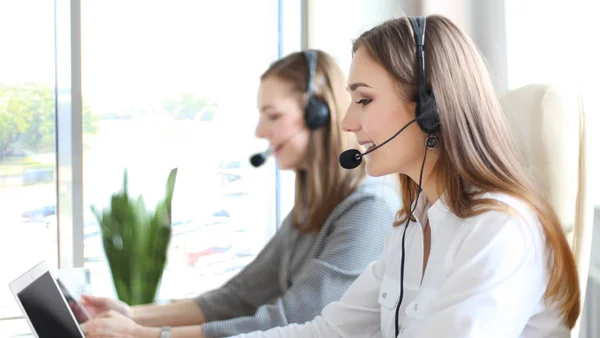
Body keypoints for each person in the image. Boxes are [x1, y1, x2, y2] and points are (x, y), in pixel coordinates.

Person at [227, 14, 581, 338]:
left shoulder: (499, 229)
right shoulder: (411, 227)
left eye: (364, 100)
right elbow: (327, 332)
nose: (349, 123)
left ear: (431, 106)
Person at [80, 49, 400, 338]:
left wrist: (145, 335)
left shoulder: (368, 209)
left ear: (319, 114)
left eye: (273, 116)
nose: (260, 131)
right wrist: (132, 315)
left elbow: (291, 320)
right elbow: (240, 296)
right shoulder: (312, 208)